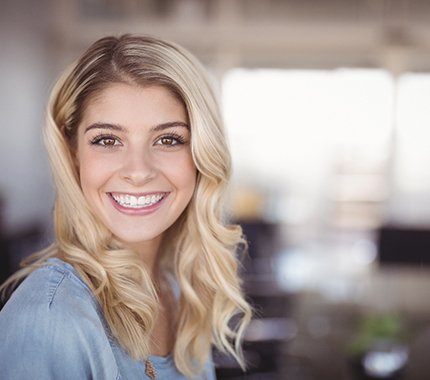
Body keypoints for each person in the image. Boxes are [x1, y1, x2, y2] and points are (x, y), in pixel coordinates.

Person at [0, 34, 252, 379]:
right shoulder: (50, 317)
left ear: (201, 154)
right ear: (73, 153)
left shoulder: (177, 289)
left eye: (168, 139)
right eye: (107, 140)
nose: (138, 171)